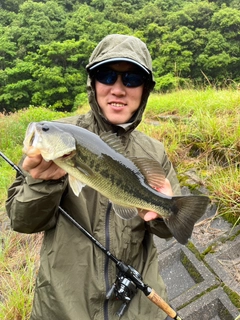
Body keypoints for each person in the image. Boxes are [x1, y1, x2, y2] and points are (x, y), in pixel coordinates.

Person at [6, 34, 181, 320]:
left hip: (138, 310)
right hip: (63, 307)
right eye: (107, 75)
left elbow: (169, 229)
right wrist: (42, 183)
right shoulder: (58, 135)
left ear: (146, 89)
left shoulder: (153, 152)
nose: (118, 89)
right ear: (93, 83)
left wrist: (162, 213)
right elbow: (21, 221)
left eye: (132, 79)